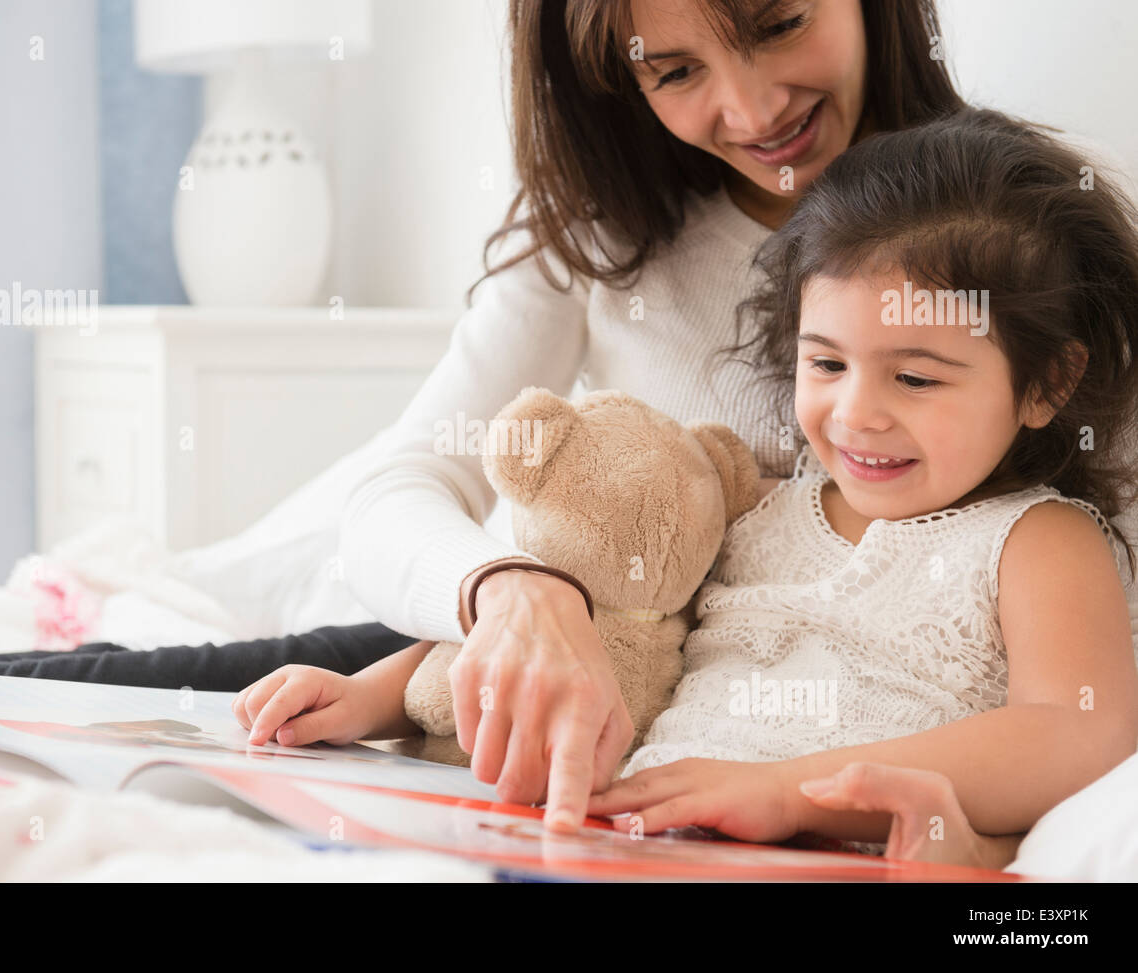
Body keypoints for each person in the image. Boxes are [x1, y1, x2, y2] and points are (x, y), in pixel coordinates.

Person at [0, 0, 989, 835]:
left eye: (779, 24)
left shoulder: (1003, 234)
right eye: (675, 70)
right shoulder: (606, 236)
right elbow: (396, 487)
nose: (746, 108)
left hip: (726, 698)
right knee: (88, 689)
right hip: (509, 641)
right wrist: (511, 591)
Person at [231, 107, 1138, 867]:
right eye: (826, 362)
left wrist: (786, 792)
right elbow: (615, 620)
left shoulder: (1036, 538)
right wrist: (374, 697)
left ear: (1047, 384)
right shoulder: (752, 508)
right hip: (640, 839)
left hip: (820, 853)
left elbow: (1080, 731)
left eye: (917, 378)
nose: (856, 414)